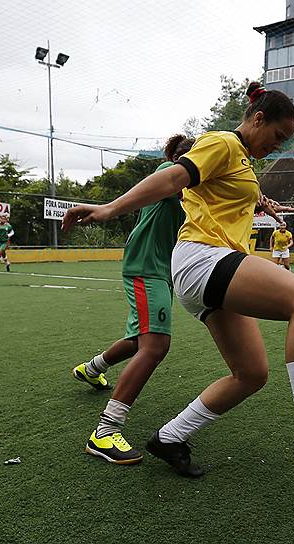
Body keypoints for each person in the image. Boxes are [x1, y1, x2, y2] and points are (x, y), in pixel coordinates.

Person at [61, 81, 294, 478]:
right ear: (258, 118)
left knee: (251, 374)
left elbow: (230, 192)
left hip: (205, 271)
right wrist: (110, 209)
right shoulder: (223, 143)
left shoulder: (242, 161)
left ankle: (170, 437)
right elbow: (172, 179)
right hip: (204, 258)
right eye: (278, 136)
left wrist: (264, 202)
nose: (278, 145)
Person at [71, 135, 193, 465]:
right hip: (145, 268)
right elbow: (187, 185)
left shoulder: (190, 192)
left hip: (157, 270)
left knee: (140, 339)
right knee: (156, 345)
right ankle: (106, 431)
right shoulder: (171, 171)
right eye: (191, 157)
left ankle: (91, 368)